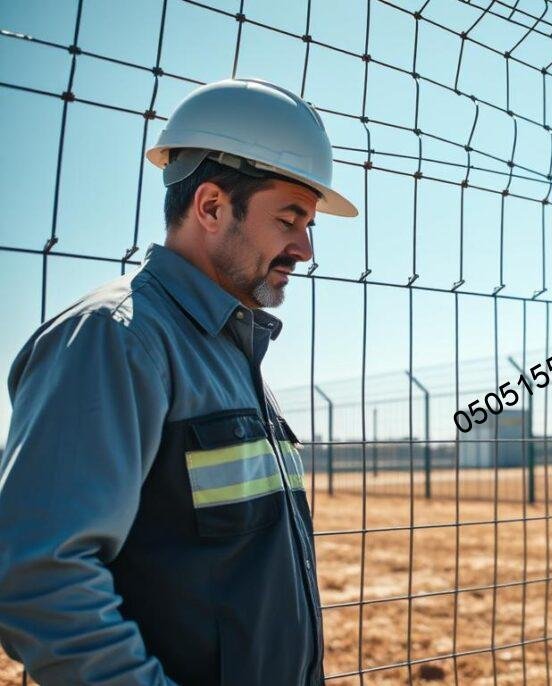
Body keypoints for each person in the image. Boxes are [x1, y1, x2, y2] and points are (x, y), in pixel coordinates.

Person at [0, 77, 357, 685]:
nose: (304, 248)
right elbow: (39, 575)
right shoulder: (118, 340)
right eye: (291, 218)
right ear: (212, 207)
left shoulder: (229, 349)